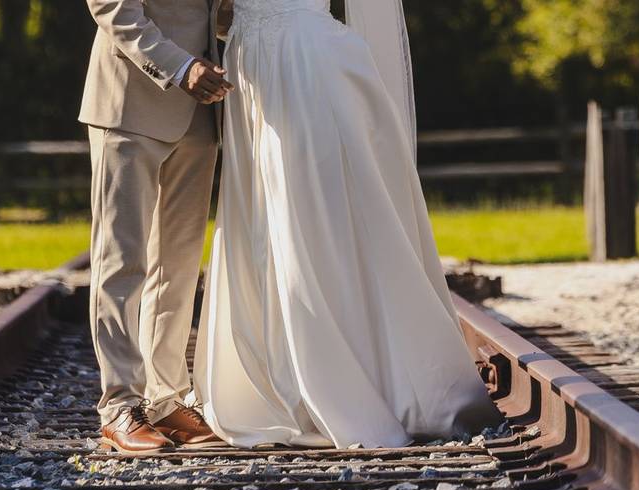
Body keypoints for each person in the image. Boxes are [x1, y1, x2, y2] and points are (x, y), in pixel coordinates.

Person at [192, 0, 504, 448]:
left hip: (299, 57)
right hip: (250, 59)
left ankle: (346, 381)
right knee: (274, 222)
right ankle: (291, 377)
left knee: (312, 220)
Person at [79, 0, 231, 452]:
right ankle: (119, 405)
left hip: (201, 116)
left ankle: (165, 398)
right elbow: (112, 8)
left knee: (178, 268)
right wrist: (180, 67)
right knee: (122, 261)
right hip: (130, 104)